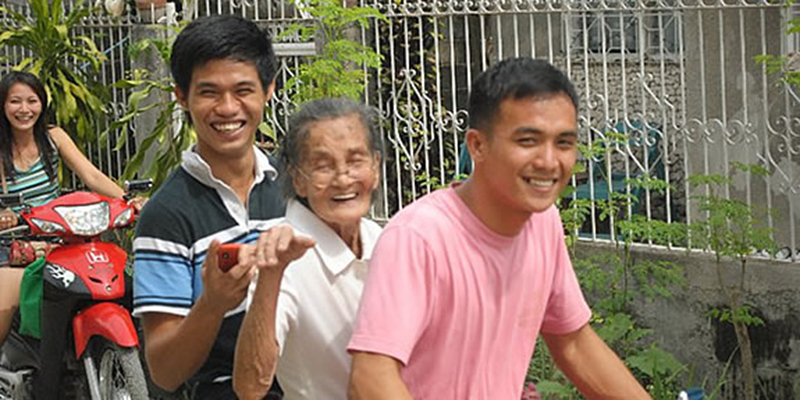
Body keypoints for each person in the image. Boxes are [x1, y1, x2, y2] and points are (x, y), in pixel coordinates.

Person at [347, 58, 653, 400]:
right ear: (477, 145)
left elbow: (574, 344)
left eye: (564, 143)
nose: (549, 161)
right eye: (528, 141)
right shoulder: (419, 238)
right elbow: (371, 376)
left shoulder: (543, 221)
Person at [131, 14, 286, 400]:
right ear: (181, 96)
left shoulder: (296, 186)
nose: (228, 108)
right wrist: (213, 304)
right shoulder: (166, 216)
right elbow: (165, 372)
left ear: (268, 90)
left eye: (243, 90)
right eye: (209, 92)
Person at [233, 97, 383, 400]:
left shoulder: (381, 239)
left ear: (376, 166)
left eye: (355, 161)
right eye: (323, 166)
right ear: (297, 179)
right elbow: (250, 387)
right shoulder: (284, 255)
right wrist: (271, 275)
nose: (343, 179)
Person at [0, 70, 129, 347]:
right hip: (12, 245)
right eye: (15, 102)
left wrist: (128, 200)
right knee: (2, 309)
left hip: (60, 241)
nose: (24, 109)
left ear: (42, 103)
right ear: (3, 105)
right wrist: (4, 218)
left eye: (32, 101)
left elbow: (92, 177)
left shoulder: (53, 137)